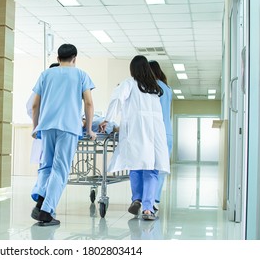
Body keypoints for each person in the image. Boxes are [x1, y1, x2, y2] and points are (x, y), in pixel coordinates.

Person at [30, 43, 96, 226]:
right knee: (60, 170)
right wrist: (89, 129)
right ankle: (46, 211)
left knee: (46, 166)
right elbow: (89, 104)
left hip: (47, 126)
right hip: (68, 128)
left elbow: (35, 105)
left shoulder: (46, 74)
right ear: (74, 58)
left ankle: (41, 201)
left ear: (58, 58)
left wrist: (36, 128)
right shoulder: (81, 75)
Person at [99, 55, 169, 221]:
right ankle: (147, 209)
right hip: (155, 133)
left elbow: (117, 98)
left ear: (132, 69)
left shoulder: (129, 83)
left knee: (135, 166)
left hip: (136, 132)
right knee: (152, 169)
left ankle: (136, 198)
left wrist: (107, 118)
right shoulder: (155, 88)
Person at [148, 60, 173, 211]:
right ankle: (155, 199)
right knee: (162, 166)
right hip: (167, 132)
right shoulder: (167, 88)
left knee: (150, 166)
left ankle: (149, 199)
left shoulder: (151, 88)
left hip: (155, 131)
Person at [26, 63, 59, 164]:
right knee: (54, 164)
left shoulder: (43, 88)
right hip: (55, 130)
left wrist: (36, 126)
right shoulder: (55, 89)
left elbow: (32, 107)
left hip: (44, 129)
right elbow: (32, 107)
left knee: (45, 165)